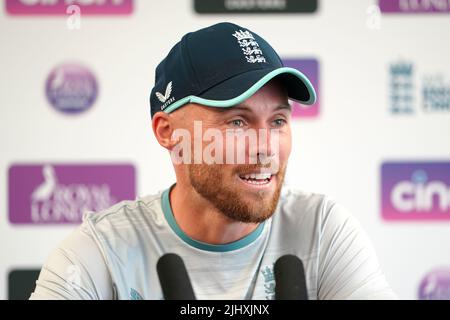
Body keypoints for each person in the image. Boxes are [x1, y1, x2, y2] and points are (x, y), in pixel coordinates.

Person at [30, 22, 396, 300]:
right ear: (167, 132)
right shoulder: (101, 253)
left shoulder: (322, 231)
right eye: (238, 121)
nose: (265, 147)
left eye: (278, 121)